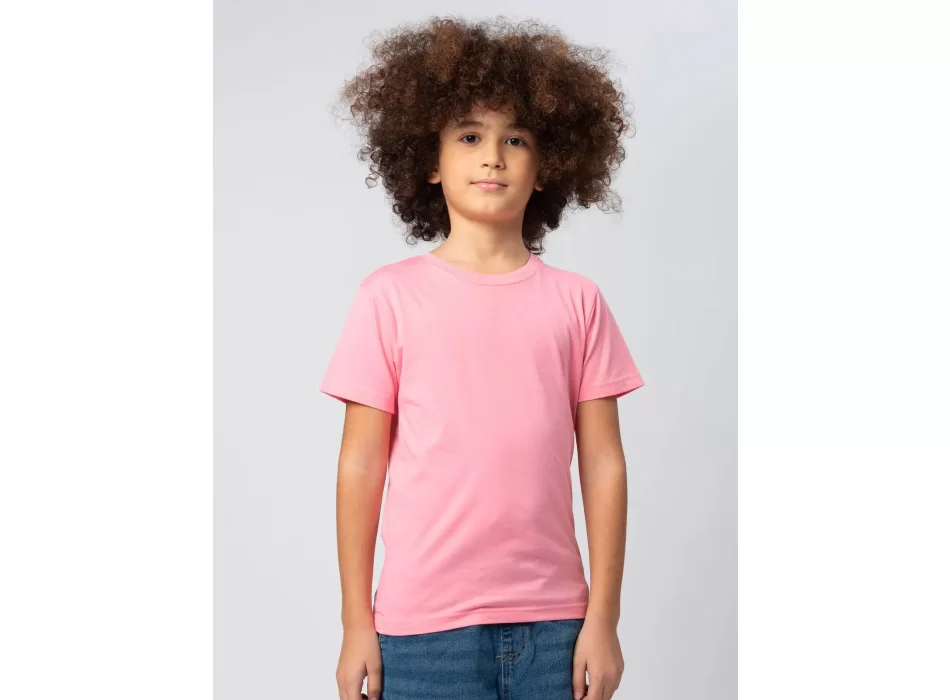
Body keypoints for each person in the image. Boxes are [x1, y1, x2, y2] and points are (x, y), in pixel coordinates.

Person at [320, 16, 644, 700]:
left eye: (515, 139)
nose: (492, 156)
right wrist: (355, 624)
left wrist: (604, 620)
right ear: (430, 162)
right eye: (469, 136)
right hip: (421, 633)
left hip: (556, 628)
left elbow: (604, 465)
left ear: (547, 166)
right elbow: (361, 464)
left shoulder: (578, 302)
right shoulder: (388, 298)